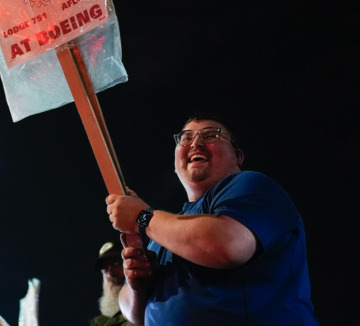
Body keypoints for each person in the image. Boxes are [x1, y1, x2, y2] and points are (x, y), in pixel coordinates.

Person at [105, 114, 318, 326]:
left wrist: (142, 218)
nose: (196, 143)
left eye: (211, 135)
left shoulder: (253, 186)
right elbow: (134, 315)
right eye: (186, 138)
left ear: (238, 156)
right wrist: (138, 287)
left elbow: (228, 245)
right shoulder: (164, 232)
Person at [90, 241, 133, 326]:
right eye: (105, 271)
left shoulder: (153, 306)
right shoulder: (99, 323)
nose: (110, 274)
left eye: (118, 264)